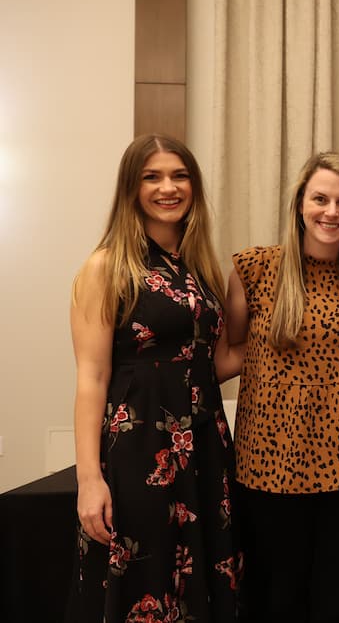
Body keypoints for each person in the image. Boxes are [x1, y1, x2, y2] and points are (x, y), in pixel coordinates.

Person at [68, 134, 243, 622]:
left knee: (201, 582)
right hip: (139, 450)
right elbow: (92, 377)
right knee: (146, 579)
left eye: (179, 175)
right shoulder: (106, 267)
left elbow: (214, 365)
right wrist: (88, 480)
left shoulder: (200, 268)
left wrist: (292, 343)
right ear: (131, 188)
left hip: (205, 447)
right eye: (152, 176)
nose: (168, 187)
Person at [225, 151, 339, 622]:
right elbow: (227, 354)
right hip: (272, 462)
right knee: (277, 596)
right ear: (300, 205)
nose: (331, 212)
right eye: (320, 199)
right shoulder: (256, 269)